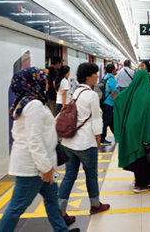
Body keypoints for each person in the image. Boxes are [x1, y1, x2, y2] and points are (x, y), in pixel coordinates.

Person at [0, 67, 69, 232]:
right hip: (33, 168)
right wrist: (45, 168)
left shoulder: (28, 102)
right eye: (43, 80)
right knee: (16, 208)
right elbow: (34, 140)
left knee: (52, 200)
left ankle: (61, 230)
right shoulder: (34, 105)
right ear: (33, 83)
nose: (46, 84)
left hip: (41, 165)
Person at [58, 63, 110, 220]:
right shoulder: (92, 95)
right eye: (95, 73)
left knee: (69, 176)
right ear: (88, 76)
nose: (97, 76)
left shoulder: (76, 92)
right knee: (91, 175)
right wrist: (98, 137)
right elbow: (96, 119)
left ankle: (61, 211)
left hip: (69, 143)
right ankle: (95, 205)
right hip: (85, 143)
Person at [114, 70, 150, 193]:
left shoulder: (130, 92)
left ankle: (138, 179)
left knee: (136, 152)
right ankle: (141, 184)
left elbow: (118, 99)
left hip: (130, 128)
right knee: (143, 154)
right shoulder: (148, 94)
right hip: (144, 128)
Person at [100, 64, 117, 144]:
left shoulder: (105, 77)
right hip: (109, 102)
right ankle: (101, 138)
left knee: (111, 120)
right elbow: (113, 93)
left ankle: (117, 135)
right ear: (113, 70)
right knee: (106, 121)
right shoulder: (112, 79)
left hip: (103, 101)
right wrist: (116, 103)